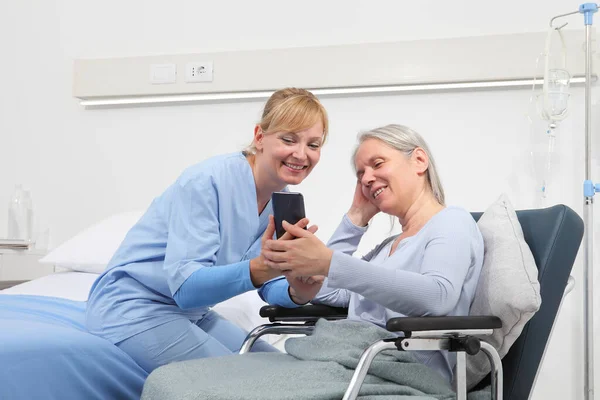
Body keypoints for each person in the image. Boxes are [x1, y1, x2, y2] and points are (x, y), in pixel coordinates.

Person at [85, 87, 329, 374]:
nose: (301, 154)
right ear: (260, 137)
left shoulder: (282, 201)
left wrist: (298, 289)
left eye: (313, 145)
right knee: (249, 382)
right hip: (133, 308)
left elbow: (269, 281)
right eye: (289, 139)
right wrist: (262, 269)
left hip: (194, 314)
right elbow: (187, 288)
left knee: (288, 374)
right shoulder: (206, 182)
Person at [260, 123, 485, 383]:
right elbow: (326, 288)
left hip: (403, 373)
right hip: (357, 365)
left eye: (377, 164)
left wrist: (329, 263)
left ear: (419, 160)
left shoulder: (451, 221)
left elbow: (438, 296)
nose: (366, 179)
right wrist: (355, 218)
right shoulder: (389, 246)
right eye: (360, 175)